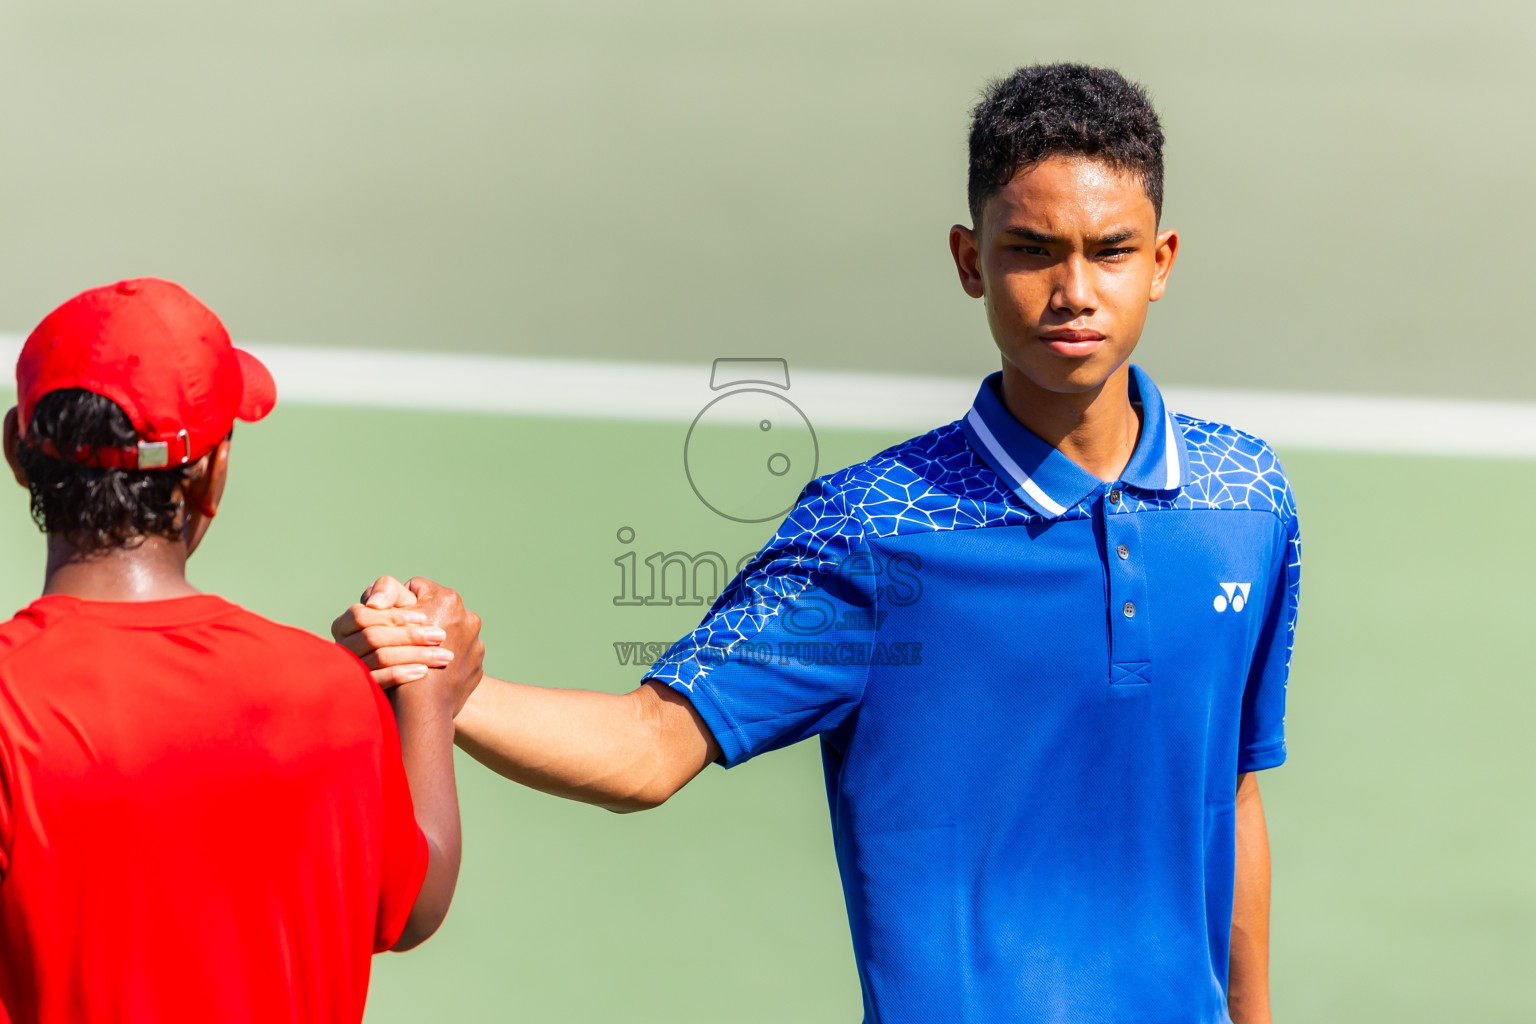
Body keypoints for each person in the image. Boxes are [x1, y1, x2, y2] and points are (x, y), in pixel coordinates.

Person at [338, 63, 1299, 1023]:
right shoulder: (873, 530)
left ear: (1163, 260)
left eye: (1112, 251)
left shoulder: (1248, 504)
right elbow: (649, 747)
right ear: (970, 261)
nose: (1074, 292)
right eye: (1033, 250)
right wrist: (449, 688)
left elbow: (1234, 799)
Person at [0, 279, 483, 1023]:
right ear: (212, 472)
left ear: (18, 454)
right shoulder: (327, 692)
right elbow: (416, 900)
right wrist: (427, 693)